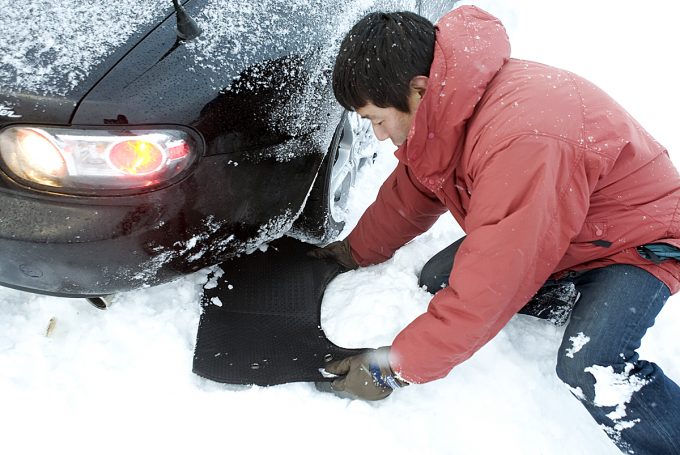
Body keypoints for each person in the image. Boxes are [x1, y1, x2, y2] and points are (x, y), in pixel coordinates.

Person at [309, 6, 680, 455]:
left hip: (635, 242)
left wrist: (394, 367)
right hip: (563, 229)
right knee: (437, 280)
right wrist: (352, 252)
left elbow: (490, 286)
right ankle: (568, 295)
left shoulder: (522, 141)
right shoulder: (449, 106)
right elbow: (413, 191)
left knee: (589, 364)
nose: (381, 136)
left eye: (377, 120)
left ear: (419, 89)